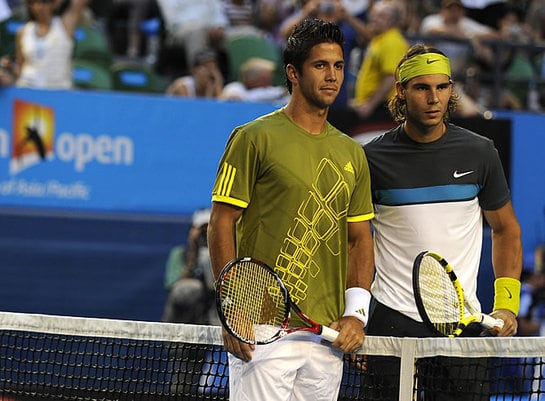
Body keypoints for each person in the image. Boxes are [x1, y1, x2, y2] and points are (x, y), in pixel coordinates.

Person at [207, 17, 375, 401]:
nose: (332, 76)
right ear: (292, 73)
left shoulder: (353, 154)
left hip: (326, 336)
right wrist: (233, 308)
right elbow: (221, 223)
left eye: (338, 66)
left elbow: (359, 240)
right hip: (261, 329)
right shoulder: (252, 138)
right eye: (320, 65)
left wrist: (356, 313)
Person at [362, 43, 523, 400]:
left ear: (451, 89)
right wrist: (355, 314)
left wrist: (506, 303)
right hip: (393, 320)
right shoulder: (371, 158)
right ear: (401, 91)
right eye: (422, 87)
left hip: (463, 325)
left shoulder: (480, 152)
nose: (434, 98)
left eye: (442, 87)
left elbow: (506, 229)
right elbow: (353, 241)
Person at [14, 0, 89, 89]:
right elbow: (21, 65)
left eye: (44, 2)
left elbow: (80, 2)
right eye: (35, 2)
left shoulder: (66, 25)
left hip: (58, 90)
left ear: (54, 3)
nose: (40, 7)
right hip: (28, 90)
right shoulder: (23, 31)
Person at [161, 208, 218, 325]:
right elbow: (173, 286)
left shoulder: (223, 255)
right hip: (184, 315)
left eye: (209, 229)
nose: (205, 234)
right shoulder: (179, 254)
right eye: (202, 229)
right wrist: (193, 250)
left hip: (214, 311)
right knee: (188, 289)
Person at [219, 57, 288, 103]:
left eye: (269, 79)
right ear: (251, 79)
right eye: (263, 79)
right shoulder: (234, 88)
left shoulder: (270, 90)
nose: (268, 83)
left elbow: (281, 93)